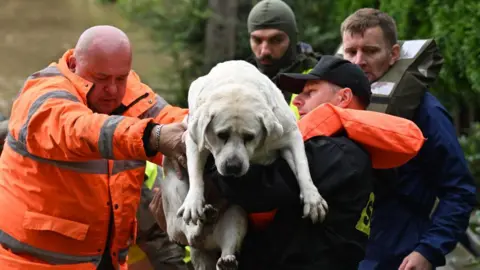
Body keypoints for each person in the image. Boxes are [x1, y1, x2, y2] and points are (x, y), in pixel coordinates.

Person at [150, 56, 426, 269]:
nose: (297, 101)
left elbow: (250, 189)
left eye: (310, 91)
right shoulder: (336, 149)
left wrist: (204, 151)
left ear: (342, 98)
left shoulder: (337, 153)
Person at [0, 25, 188, 270]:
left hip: (105, 260)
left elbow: (173, 120)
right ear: (76, 66)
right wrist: (153, 136)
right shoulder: (44, 94)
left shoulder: (129, 92)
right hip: (31, 264)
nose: (112, 89)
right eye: (101, 79)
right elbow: (80, 130)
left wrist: (213, 128)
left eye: (121, 78)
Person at [340, 8, 478, 269]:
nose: (358, 61)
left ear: (393, 55)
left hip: (396, 258)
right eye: (351, 52)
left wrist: (428, 251)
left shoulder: (426, 112)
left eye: (370, 51)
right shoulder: (335, 106)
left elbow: (459, 191)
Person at [246, 0, 320, 118]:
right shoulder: (239, 79)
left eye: (276, 40)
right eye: (257, 40)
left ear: (292, 39)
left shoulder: (318, 78)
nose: (265, 50)